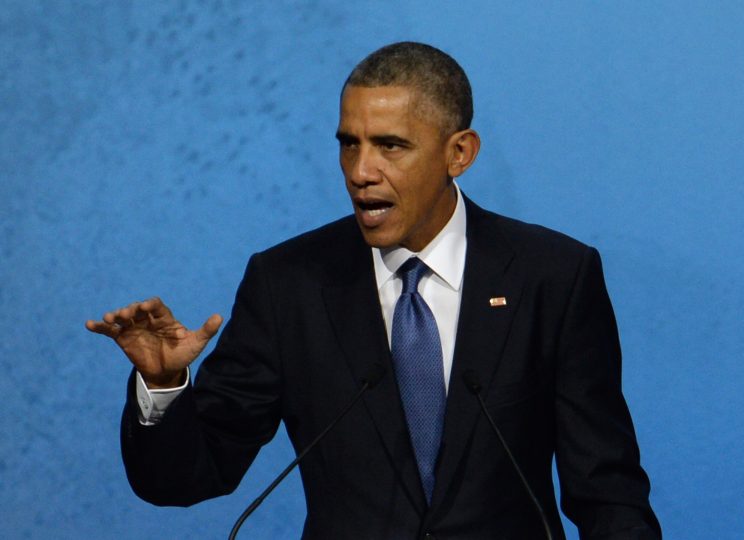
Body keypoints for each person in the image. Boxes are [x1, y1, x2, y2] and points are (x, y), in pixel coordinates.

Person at [86, 42, 661, 539]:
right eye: (348, 143)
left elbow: (607, 491)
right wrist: (163, 387)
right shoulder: (289, 284)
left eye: (390, 145)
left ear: (458, 153)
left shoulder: (552, 275)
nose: (360, 170)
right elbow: (187, 477)